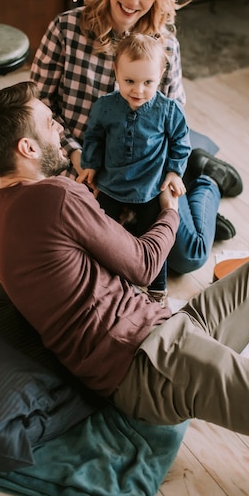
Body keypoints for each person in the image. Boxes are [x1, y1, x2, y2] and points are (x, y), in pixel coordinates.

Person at [0, 81, 249, 458]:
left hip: (164, 330)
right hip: (148, 365)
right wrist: (169, 210)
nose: (59, 127)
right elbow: (144, 265)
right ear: (26, 148)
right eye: (48, 123)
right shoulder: (56, 196)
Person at [30, 0, 243, 276]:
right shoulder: (66, 29)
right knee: (90, 254)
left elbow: (175, 118)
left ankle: (207, 178)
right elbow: (38, 109)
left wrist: (169, 174)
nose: (132, 2)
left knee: (188, 258)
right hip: (83, 165)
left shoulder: (166, 45)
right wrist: (79, 158)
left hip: (149, 170)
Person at [78, 33, 191, 305]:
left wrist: (174, 172)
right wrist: (90, 165)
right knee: (98, 233)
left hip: (151, 187)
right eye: (129, 81)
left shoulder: (168, 110)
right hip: (111, 184)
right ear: (116, 71)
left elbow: (180, 142)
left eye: (148, 82)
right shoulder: (105, 106)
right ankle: (101, 281)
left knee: (153, 239)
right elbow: (93, 136)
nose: (138, 90)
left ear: (161, 75)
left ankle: (157, 290)